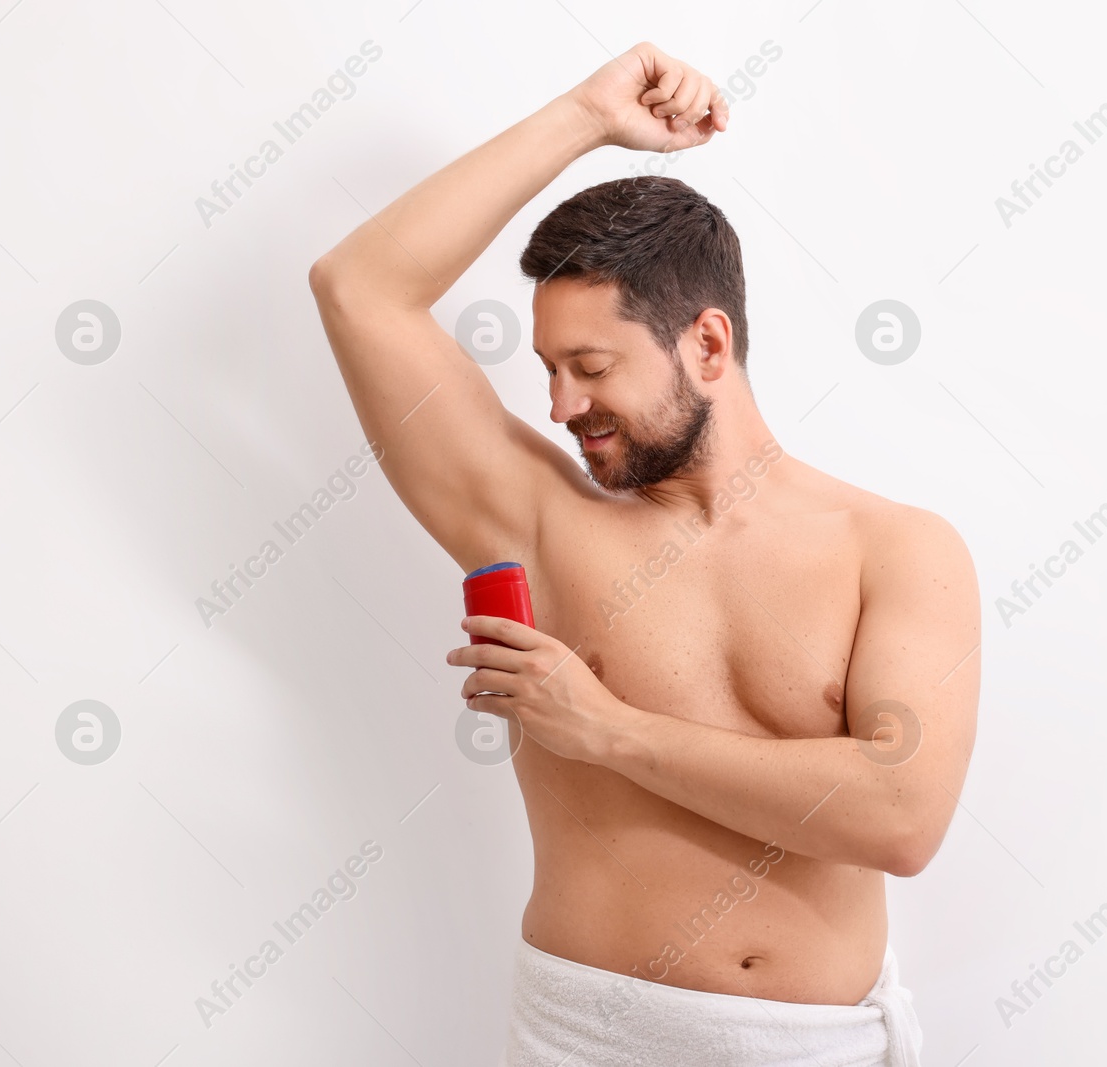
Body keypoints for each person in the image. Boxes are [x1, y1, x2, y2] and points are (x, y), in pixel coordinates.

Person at [309, 40, 979, 1067]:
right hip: (588, 1037)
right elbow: (359, 286)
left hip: (820, 1045)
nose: (560, 405)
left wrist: (609, 730)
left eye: (589, 367)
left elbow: (900, 814)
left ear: (707, 346)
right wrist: (585, 114)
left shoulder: (896, 548)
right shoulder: (534, 520)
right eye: (548, 369)